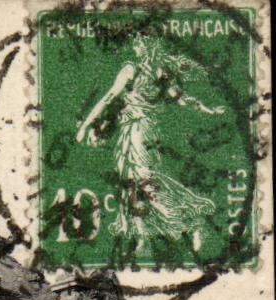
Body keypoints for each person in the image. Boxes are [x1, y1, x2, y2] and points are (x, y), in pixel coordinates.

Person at [75, 36, 224, 253]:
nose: (134, 47)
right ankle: (143, 234)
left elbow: (108, 98)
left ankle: (193, 225)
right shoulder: (160, 73)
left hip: (138, 130)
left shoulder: (132, 70)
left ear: (146, 47)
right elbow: (183, 99)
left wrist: (85, 126)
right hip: (139, 131)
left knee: (145, 182)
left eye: (138, 44)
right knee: (131, 183)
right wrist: (207, 109)